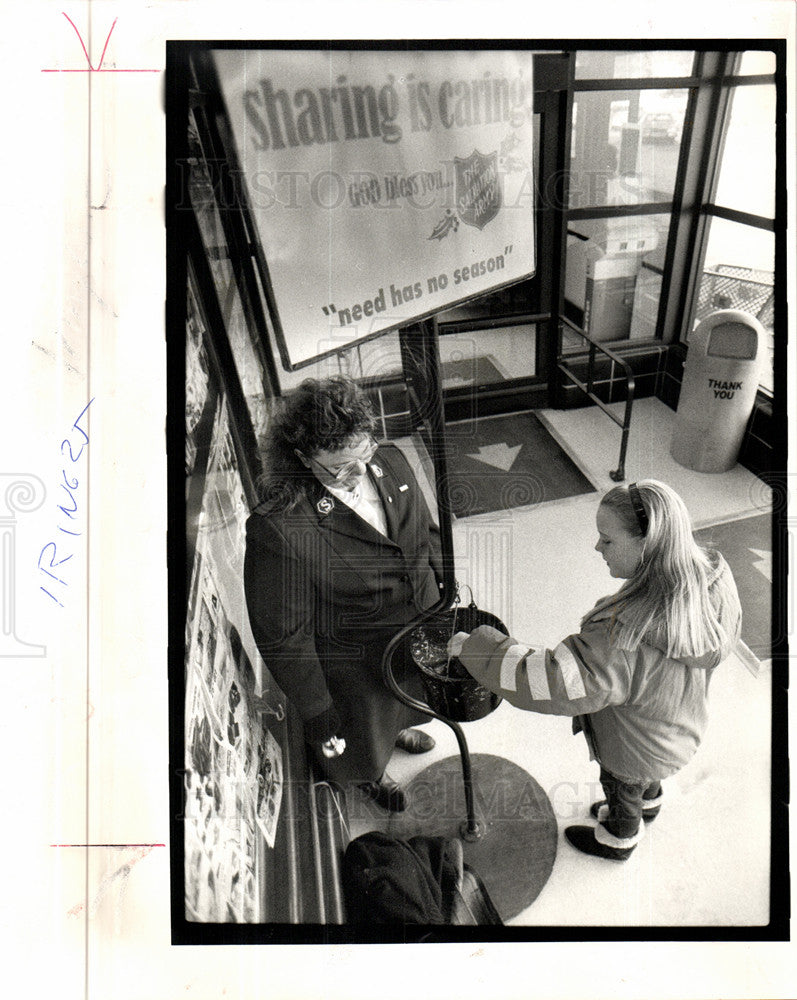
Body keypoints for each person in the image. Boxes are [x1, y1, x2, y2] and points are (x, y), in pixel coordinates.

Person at [448, 480, 742, 861]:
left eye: (607, 539)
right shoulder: (713, 577)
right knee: (642, 782)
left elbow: (550, 681)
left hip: (630, 749)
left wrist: (476, 648)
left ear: (647, 545)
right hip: (672, 728)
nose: (597, 547)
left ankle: (619, 838)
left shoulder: (621, 637)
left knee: (621, 790)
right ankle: (648, 802)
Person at [244, 376, 443, 813]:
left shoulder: (387, 458)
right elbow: (283, 637)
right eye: (340, 468)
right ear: (302, 458)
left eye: (365, 454)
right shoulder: (280, 527)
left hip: (418, 625)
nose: (360, 475)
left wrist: (445, 592)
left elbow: (426, 531)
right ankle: (374, 773)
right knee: (367, 729)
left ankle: (401, 729)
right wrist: (317, 710)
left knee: (406, 703)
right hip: (358, 658)